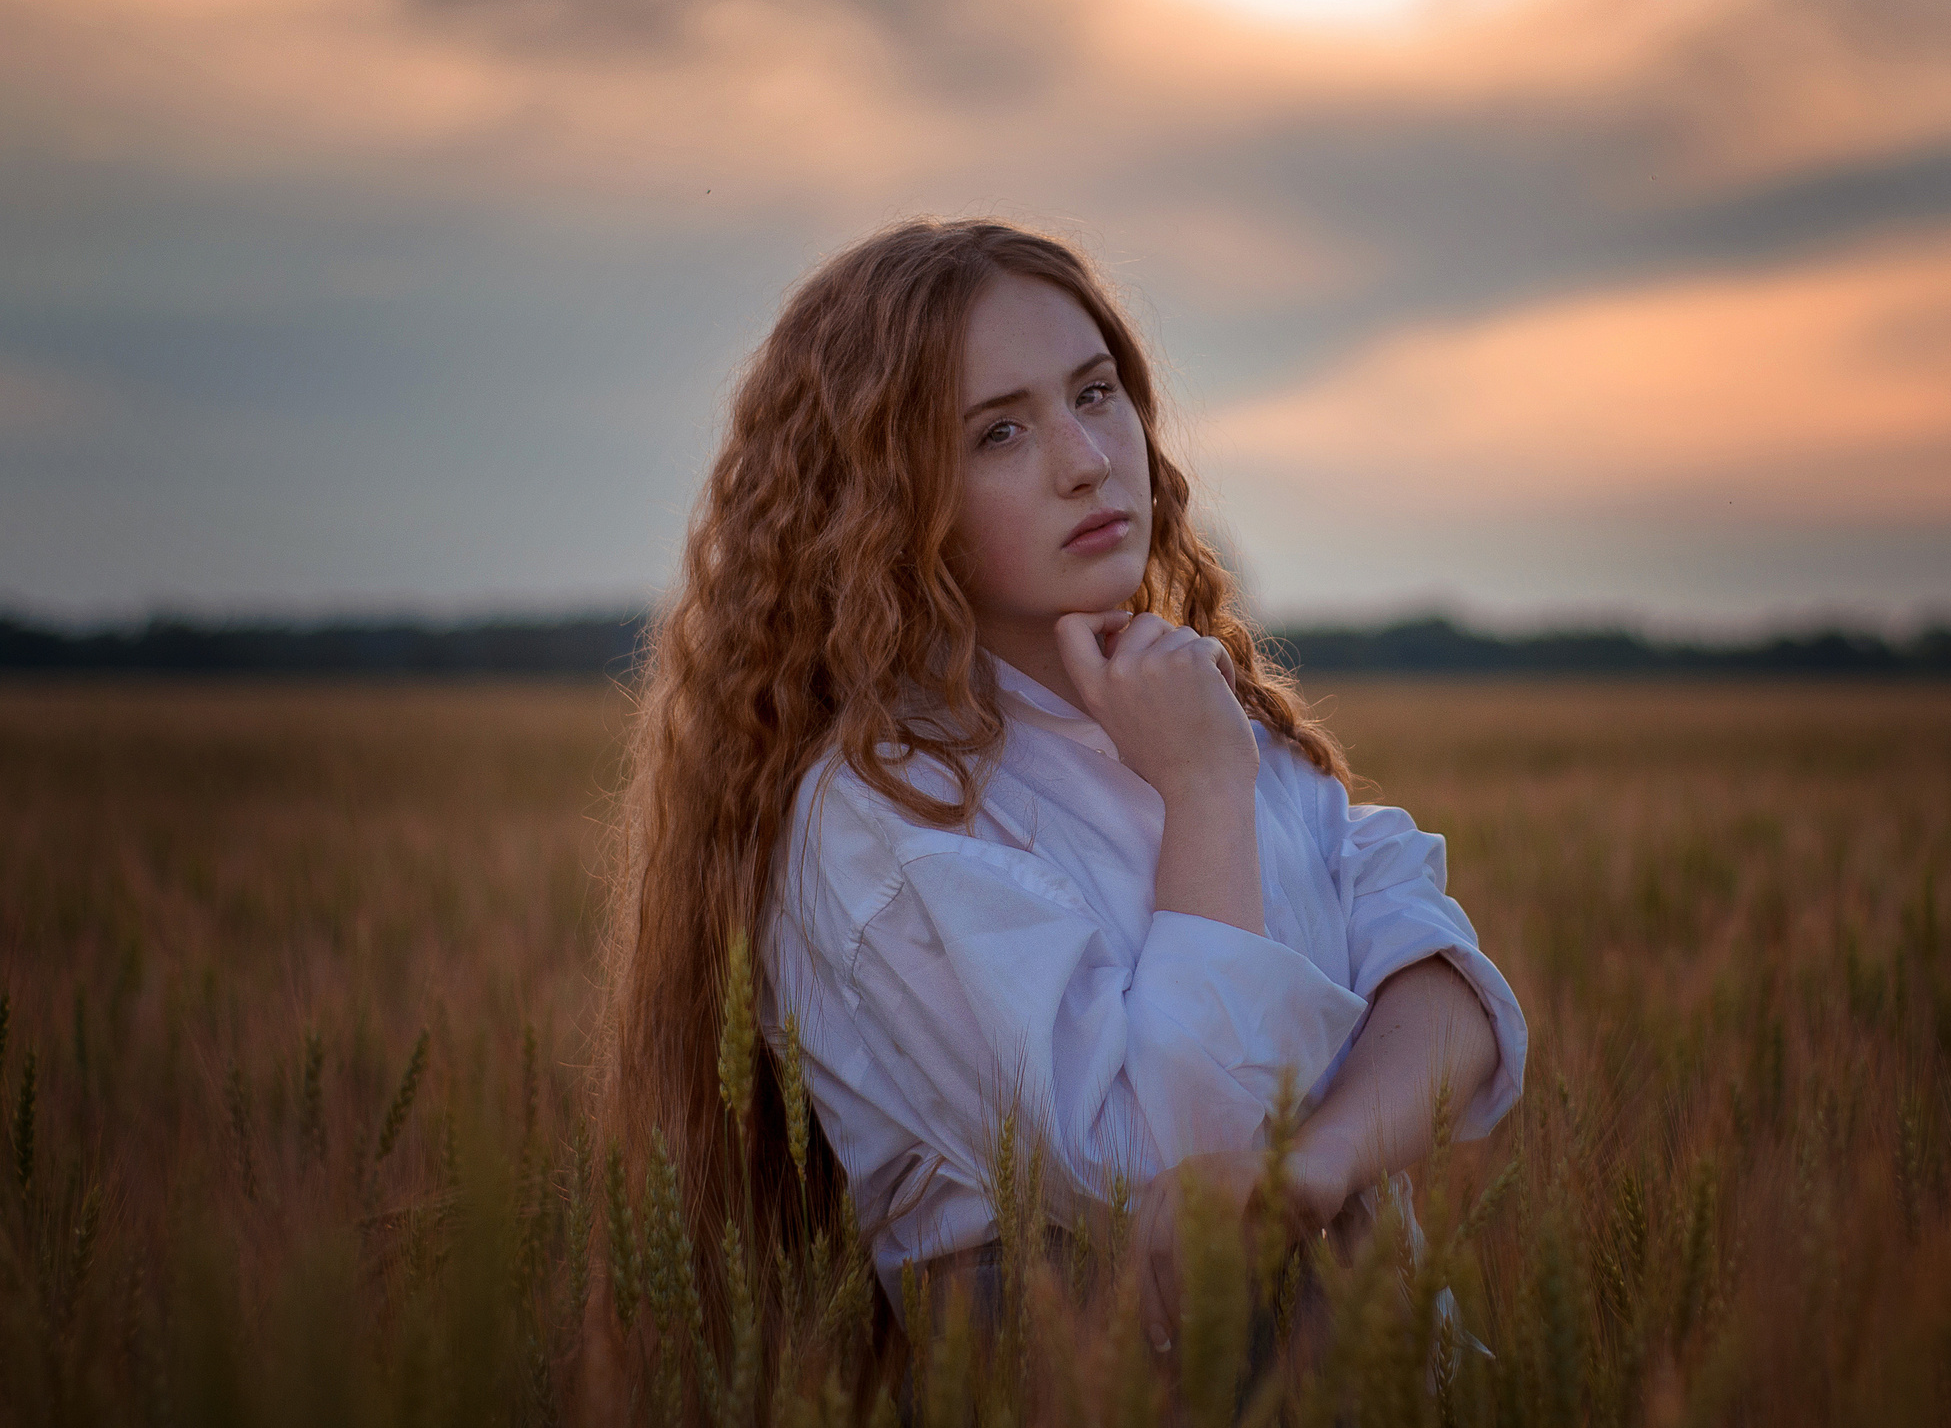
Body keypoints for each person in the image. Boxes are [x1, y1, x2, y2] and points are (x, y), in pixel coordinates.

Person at [598, 218, 1526, 1360]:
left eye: (1095, 395)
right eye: (998, 433)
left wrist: (1323, 1162)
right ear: (885, 498)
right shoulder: (880, 817)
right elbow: (1169, 1169)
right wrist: (1199, 793)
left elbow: (1446, 983)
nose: (1085, 459)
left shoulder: (1205, 707)